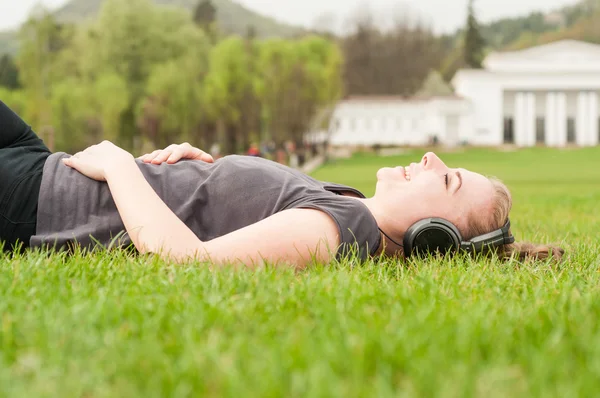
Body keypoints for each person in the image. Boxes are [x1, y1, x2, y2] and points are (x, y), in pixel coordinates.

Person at [0, 100, 563, 268]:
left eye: (447, 180)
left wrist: (122, 165)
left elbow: (190, 261)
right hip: (44, 163)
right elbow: (245, 210)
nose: (432, 156)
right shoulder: (347, 204)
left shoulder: (338, 230)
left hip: (42, 198)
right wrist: (210, 172)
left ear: (433, 234)